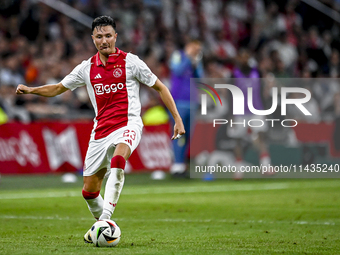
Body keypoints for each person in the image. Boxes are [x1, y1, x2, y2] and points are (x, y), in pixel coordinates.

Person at [15, 16, 185, 243]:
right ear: (92, 38)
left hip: (128, 124)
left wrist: (177, 118)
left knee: (118, 160)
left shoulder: (131, 62)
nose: (104, 40)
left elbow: (160, 87)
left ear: (115, 36)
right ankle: (101, 227)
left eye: (108, 36)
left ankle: (106, 220)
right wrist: (30, 90)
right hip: (100, 132)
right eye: (99, 36)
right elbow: (57, 88)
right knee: (89, 192)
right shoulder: (86, 68)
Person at [169, 39, 203, 177]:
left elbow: (200, 78)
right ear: (189, 46)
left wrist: (195, 64)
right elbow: (177, 70)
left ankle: (182, 164)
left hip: (192, 102)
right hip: (178, 102)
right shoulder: (178, 55)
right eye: (196, 48)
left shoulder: (196, 60)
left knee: (188, 134)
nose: (197, 51)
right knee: (178, 133)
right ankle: (176, 165)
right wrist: (189, 58)